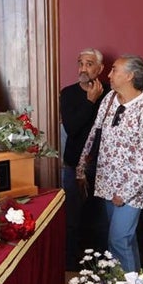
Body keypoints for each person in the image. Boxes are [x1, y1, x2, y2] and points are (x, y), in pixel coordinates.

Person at [76, 56, 143, 274]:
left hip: (131, 188)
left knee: (119, 238)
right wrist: (80, 167)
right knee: (125, 240)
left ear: (130, 76)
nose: (109, 75)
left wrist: (125, 192)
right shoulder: (110, 98)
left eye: (114, 70)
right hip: (107, 181)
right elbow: (95, 134)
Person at [60, 48, 110, 268]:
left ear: (99, 69)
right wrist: (89, 102)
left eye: (89, 64)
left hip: (102, 166)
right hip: (73, 164)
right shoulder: (68, 93)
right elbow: (71, 128)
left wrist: (96, 99)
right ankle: (71, 262)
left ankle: (99, 264)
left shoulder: (110, 93)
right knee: (72, 217)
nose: (83, 68)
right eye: (80, 63)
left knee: (99, 218)